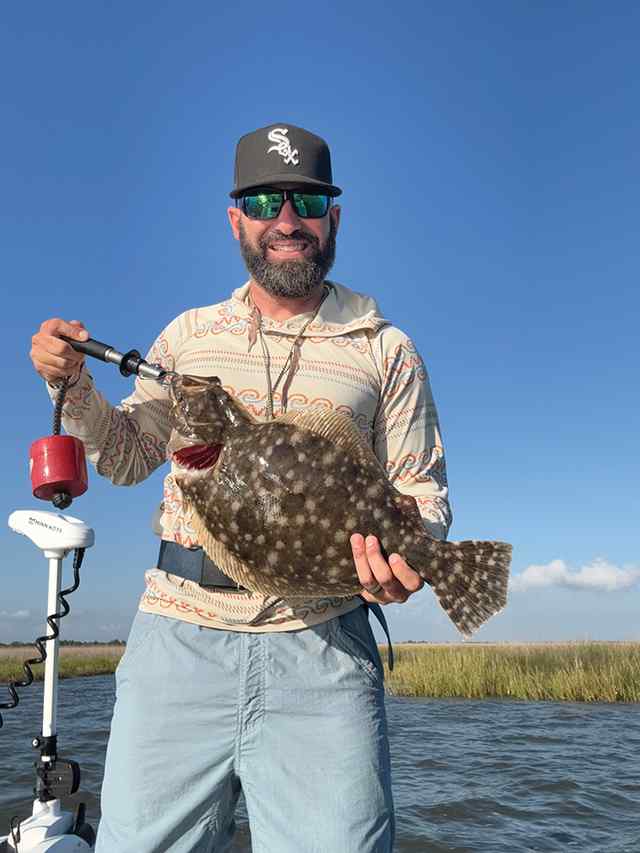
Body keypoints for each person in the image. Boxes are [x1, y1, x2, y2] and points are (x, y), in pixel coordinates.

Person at [30, 123, 452, 853]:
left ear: (334, 217)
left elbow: (423, 498)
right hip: (177, 637)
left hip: (324, 641)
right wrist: (76, 384)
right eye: (263, 201)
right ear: (237, 220)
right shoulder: (188, 337)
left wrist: (414, 560)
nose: (286, 221)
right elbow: (129, 457)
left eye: (307, 201)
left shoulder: (386, 348)